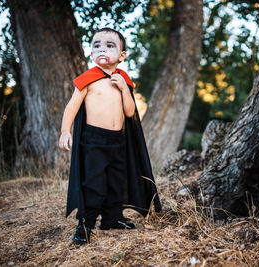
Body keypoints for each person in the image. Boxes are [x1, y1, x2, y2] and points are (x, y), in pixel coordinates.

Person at [59, 27, 161, 245]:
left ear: (121, 56)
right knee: (94, 183)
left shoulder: (124, 79)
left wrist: (125, 90)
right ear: (92, 52)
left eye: (109, 45)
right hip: (94, 141)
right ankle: (85, 225)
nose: (101, 49)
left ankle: (112, 219)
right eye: (96, 45)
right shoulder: (88, 79)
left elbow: (130, 113)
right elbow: (71, 107)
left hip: (118, 141)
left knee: (116, 182)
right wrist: (65, 131)